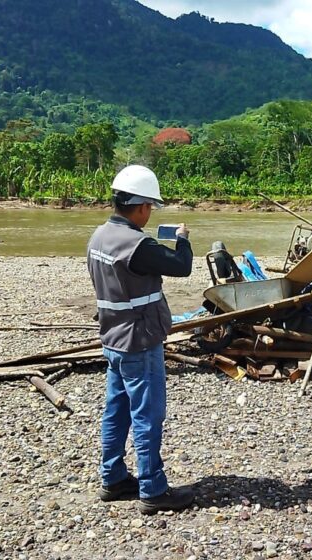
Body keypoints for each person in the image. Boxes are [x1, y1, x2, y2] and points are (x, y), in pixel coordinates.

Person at [87, 165, 196, 515]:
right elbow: (181, 266)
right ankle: (153, 488)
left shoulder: (98, 236)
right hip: (140, 339)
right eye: (149, 206)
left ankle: (113, 477)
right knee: (147, 415)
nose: (149, 213)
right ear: (140, 206)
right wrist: (183, 238)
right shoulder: (138, 244)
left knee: (116, 410)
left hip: (113, 339)